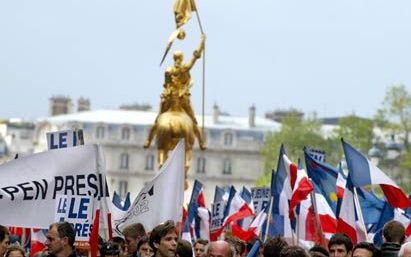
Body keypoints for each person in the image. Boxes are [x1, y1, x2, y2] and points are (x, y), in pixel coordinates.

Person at [144, 34, 207, 151]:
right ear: (180, 59)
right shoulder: (182, 69)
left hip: (171, 98)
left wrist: (169, 93)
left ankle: (148, 140)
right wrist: (202, 43)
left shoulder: (170, 70)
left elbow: (166, 85)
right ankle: (201, 141)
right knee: (193, 120)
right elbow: (194, 58)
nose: (178, 61)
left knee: (158, 119)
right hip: (181, 98)